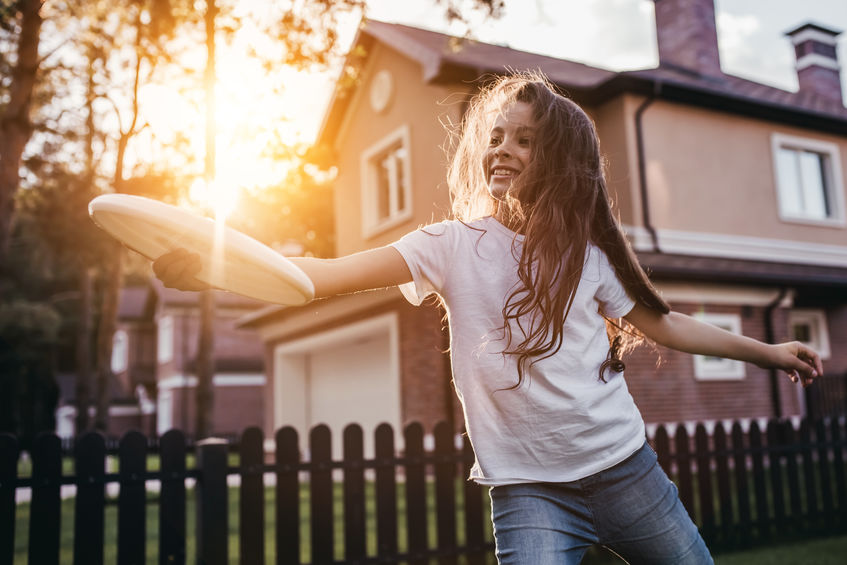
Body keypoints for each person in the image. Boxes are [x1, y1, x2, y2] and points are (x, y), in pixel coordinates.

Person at [153, 73, 822, 564]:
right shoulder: (448, 246)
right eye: (495, 135)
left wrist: (767, 351)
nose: (500, 148)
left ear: (555, 160)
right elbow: (312, 279)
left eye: (523, 140)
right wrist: (213, 264)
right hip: (527, 489)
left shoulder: (587, 257)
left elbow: (668, 324)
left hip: (625, 472)